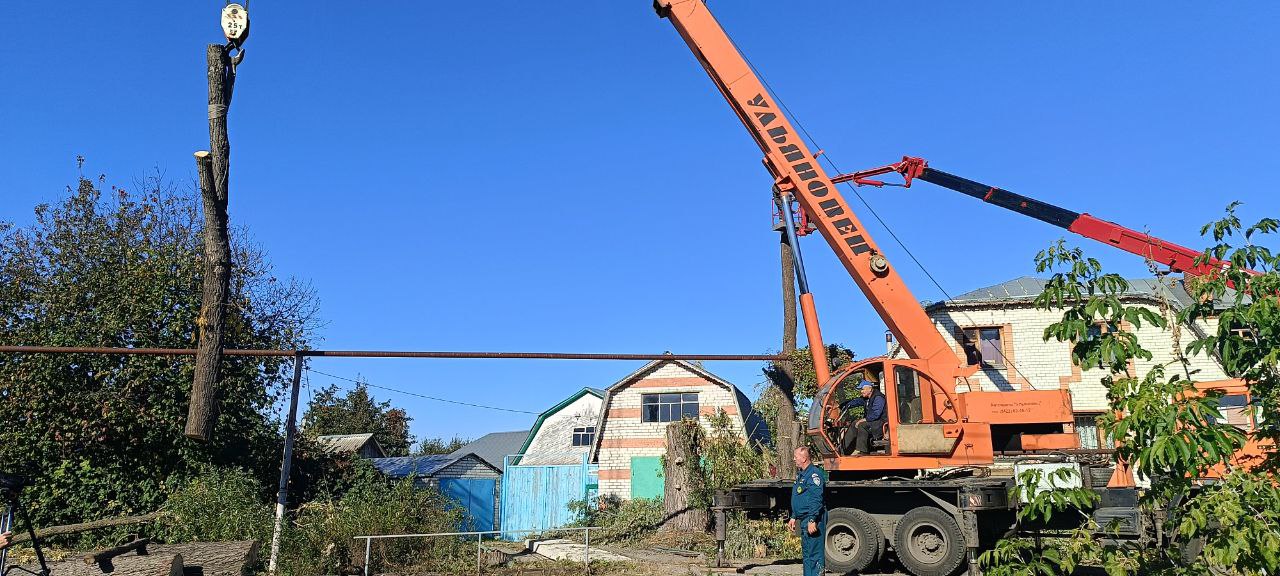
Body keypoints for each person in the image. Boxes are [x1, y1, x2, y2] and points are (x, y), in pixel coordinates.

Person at [788, 446, 826, 576]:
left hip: (812, 519)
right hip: (803, 519)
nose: (794, 459)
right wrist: (794, 516)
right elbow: (800, 497)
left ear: (804, 458)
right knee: (807, 553)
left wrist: (812, 519)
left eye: (796, 457)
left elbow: (816, 499)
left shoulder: (814, 474)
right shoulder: (802, 475)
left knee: (814, 553)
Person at [840, 380, 887, 455]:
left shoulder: (878, 398)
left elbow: (876, 414)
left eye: (862, 389)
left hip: (880, 423)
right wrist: (841, 405)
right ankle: (843, 449)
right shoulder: (866, 398)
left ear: (870, 389)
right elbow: (856, 402)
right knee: (854, 423)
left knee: (862, 425)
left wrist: (864, 419)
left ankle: (863, 451)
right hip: (873, 421)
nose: (861, 391)